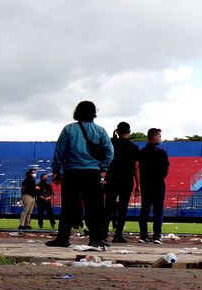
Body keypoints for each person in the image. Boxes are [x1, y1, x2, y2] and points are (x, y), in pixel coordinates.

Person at [46, 100, 113, 249]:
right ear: (94, 113)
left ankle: (63, 238)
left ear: (77, 112)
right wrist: (101, 166)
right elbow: (109, 152)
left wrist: (56, 170)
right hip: (92, 173)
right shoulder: (101, 131)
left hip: (72, 173)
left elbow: (59, 152)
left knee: (68, 207)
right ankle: (95, 238)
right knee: (94, 208)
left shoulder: (69, 129)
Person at [104, 121, 140, 243]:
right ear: (129, 132)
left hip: (112, 178)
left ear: (117, 131)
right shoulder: (134, 147)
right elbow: (136, 168)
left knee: (108, 206)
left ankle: (103, 233)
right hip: (126, 179)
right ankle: (118, 234)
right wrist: (138, 185)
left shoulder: (111, 144)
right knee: (123, 208)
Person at [136, 127, 169, 243]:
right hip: (158, 184)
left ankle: (143, 236)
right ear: (154, 136)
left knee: (144, 210)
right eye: (159, 136)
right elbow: (166, 170)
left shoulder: (141, 152)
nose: (160, 138)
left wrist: (139, 185)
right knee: (158, 211)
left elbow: (138, 168)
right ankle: (156, 236)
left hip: (146, 185)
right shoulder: (161, 152)